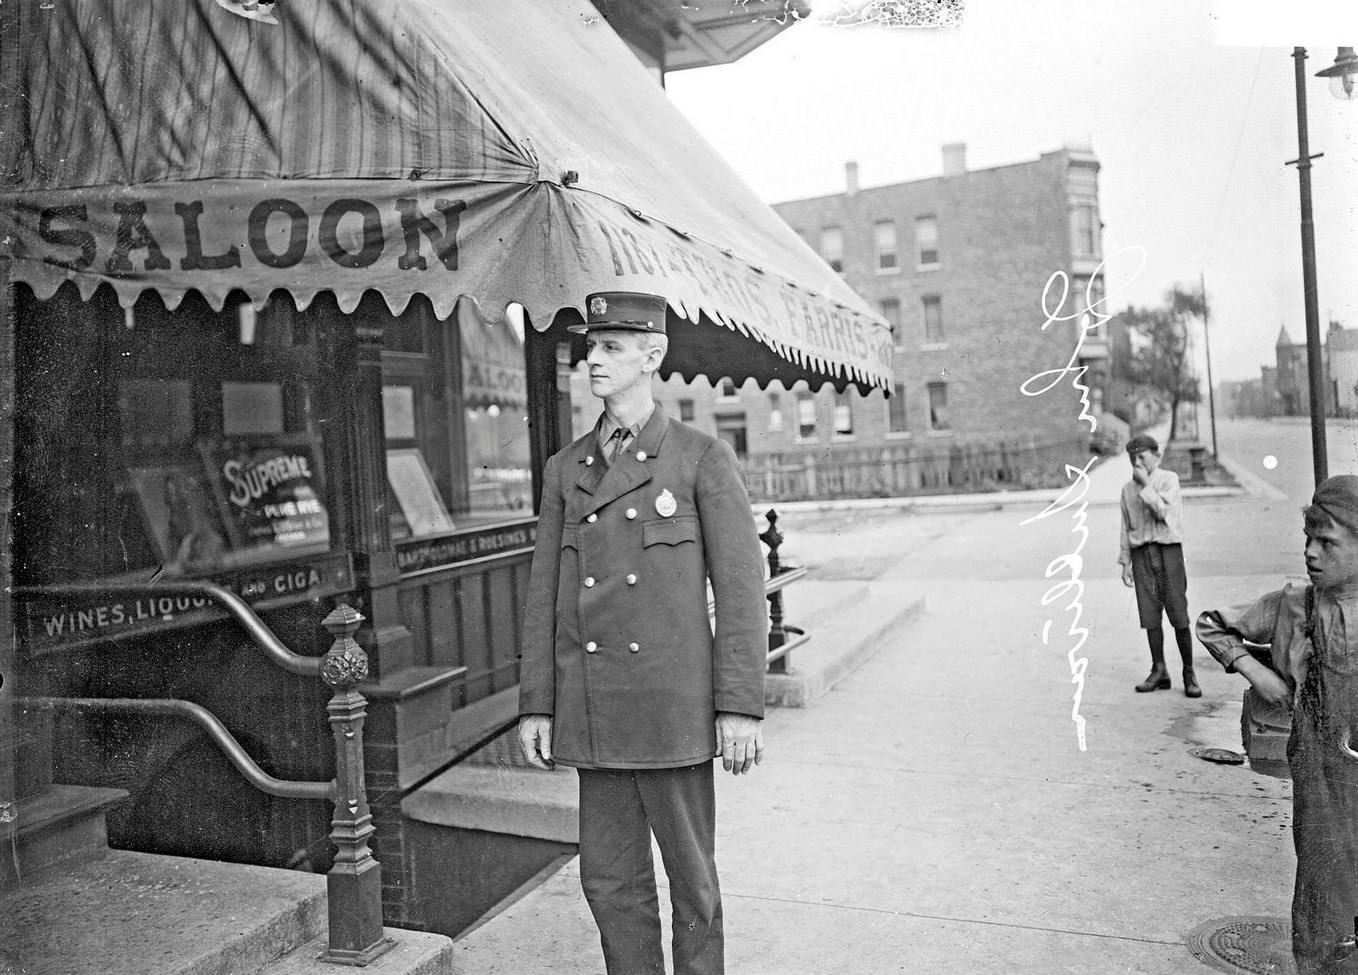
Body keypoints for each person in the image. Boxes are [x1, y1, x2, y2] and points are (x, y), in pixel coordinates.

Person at [517, 291, 768, 975]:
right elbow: (546, 592)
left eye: (610, 346)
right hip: (597, 711)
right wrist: (537, 703)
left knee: (694, 887)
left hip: (670, 710)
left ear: (651, 355)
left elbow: (742, 591)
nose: (591, 358)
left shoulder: (698, 458)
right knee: (610, 884)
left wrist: (739, 705)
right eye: (589, 345)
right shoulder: (565, 470)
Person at [1197, 474, 1358, 974]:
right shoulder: (1293, 605)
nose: (1311, 552)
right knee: (1322, 878)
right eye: (1307, 540)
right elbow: (1212, 624)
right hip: (1320, 766)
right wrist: (1258, 673)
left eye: (1327, 542)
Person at [1119, 433, 1199, 696]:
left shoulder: (1168, 480)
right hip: (1142, 553)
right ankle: (1159, 669)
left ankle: (1189, 672)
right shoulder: (1127, 489)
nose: (1137, 462)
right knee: (1149, 613)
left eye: (1142, 456)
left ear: (1156, 455)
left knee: (1177, 611)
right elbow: (1126, 526)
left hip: (1168, 551)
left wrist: (1146, 487)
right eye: (1133, 458)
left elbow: (1163, 513)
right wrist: (1126, 561)